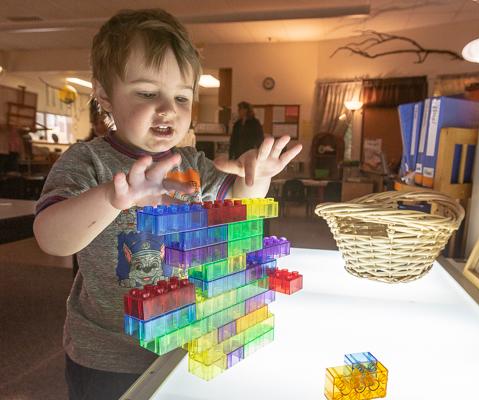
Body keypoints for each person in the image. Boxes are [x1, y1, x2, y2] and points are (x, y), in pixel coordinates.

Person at [33, 9, 301, 400]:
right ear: (104, 96)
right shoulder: (87, 161)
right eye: (146, 93)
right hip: (109, 355)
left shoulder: (190, 162)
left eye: (181, 97)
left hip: (185, 338)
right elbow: (52, 239)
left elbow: (237, 202)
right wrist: (112, 197)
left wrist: (257, 178)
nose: (168, 109)